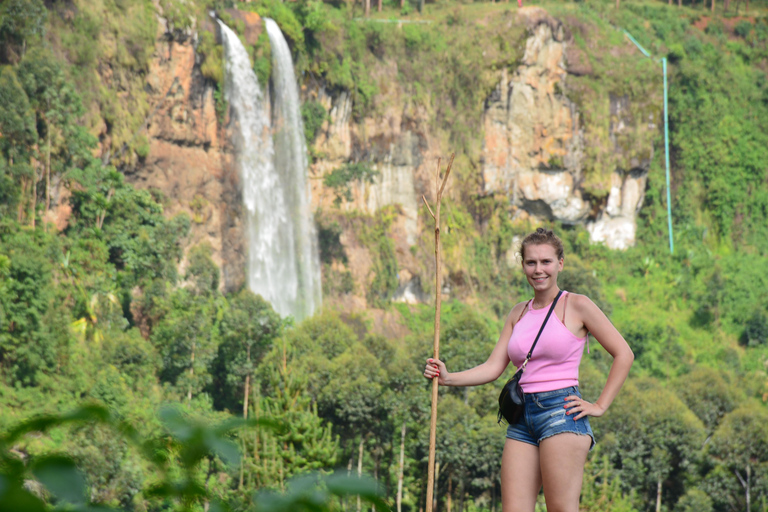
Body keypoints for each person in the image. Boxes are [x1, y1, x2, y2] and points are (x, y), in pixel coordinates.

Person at [423, 228, 633, 512]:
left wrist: (599, 405)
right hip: (521, 418)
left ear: (560, 263)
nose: (538, 269)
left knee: (559, 508)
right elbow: (494, 367)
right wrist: (448, 378)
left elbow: (624, 354)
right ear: (522, 265)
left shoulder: (577, 305)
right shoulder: (518, 312)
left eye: (546, 262)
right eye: (531, 262)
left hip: (561, 412)